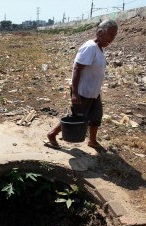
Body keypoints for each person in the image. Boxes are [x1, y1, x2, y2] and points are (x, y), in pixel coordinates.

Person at [46, 19, 118, 150]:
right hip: (83, 92)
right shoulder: (90, 47)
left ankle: (92, 140)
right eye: (110, 34)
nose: (112, 38)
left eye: (114, 35)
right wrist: (75, 93)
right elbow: (77, 69)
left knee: (96, 116)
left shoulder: (99, 48)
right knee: (76, 117)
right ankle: (52, 134)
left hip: (93, 92)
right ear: (100, 32)